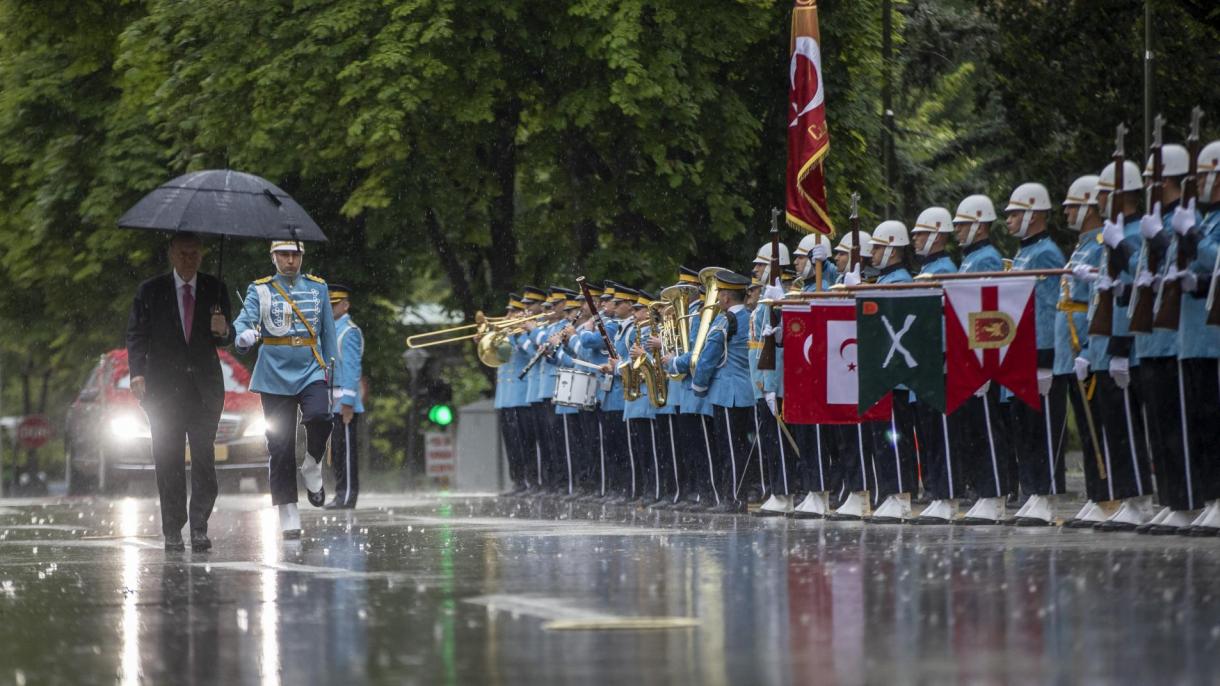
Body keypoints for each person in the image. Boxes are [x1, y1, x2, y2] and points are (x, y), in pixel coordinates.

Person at [126, 232, 232, 551]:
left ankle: (199, 526)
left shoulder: (215, 288)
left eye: (194, 253)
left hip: (204, 390)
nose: (188, 259)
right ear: (172, 254)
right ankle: (172, 528)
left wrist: (223, 330)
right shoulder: (150, 291)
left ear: (202, 254)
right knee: (168, 459)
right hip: (163, 391)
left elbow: (226, 338)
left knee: (204, 460)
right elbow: (136, 334)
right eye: (183, 253)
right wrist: (137, 373)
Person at [233, 240, 338, 539]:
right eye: (284, 255)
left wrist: (338, 381)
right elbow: (243, 322)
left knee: (320, 417)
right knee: (279, 445)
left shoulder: (318, 287)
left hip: (311, 366)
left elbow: (328, 333)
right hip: (274, 374)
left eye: (295, 254)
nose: (290, 260)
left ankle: (312, 463)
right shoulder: (260, 289)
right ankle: (288, 509)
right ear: (273, 257)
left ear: (302, 256)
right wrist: (244, 336)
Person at [948, 194, 1017, 525]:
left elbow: (989, 309)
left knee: (988, 428)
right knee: (975, 429)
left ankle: (995, 493)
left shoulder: (986, 259)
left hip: (980, 355)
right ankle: (985, 492)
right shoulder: (971, 259)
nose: (957, 231)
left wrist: (986, 363)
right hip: (967, 354)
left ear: (979, 225)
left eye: (962, 225)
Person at [1003, 182, 1068, 526]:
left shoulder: (1046, 253)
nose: (1009, 220)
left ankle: (1046, 493)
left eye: (1015, 214)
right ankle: (1033, 491)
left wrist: (1045, 356)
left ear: (1034, 214)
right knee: (1024, 427)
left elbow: (1047, 308)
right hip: (1021, 351)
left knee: (1043, 427)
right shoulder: (1024, 254)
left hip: (1039, 352)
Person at [862, 221, 919, 524]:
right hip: (883, 372)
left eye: (878, 247)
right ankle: (890, 493)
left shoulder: (901, 281)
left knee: (896, 437)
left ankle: (901, 495)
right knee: (884, 438)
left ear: (893, 249)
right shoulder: (887, 280)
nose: (872, 253)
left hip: (895, 374)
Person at [907, 207, 961, 524]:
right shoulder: (928, 269)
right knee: (929, 435)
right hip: (925, 360)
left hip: (938, 360)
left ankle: (947, 493)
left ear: (938, 235)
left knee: (942, 433)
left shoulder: (945, 269)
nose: (915, 239)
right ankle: (937, 491)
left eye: (921, 234)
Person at [326, 282, 363, 510]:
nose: (330, 308)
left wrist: (348, 402)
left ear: (345, 305)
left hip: (344, 403)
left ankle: (347, 495)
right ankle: (340, 493)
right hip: (332, 402)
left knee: (346, 452)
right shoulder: (331, 330)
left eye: (334, 304)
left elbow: (351, 368)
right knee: (336, 453)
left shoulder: (349, 331)